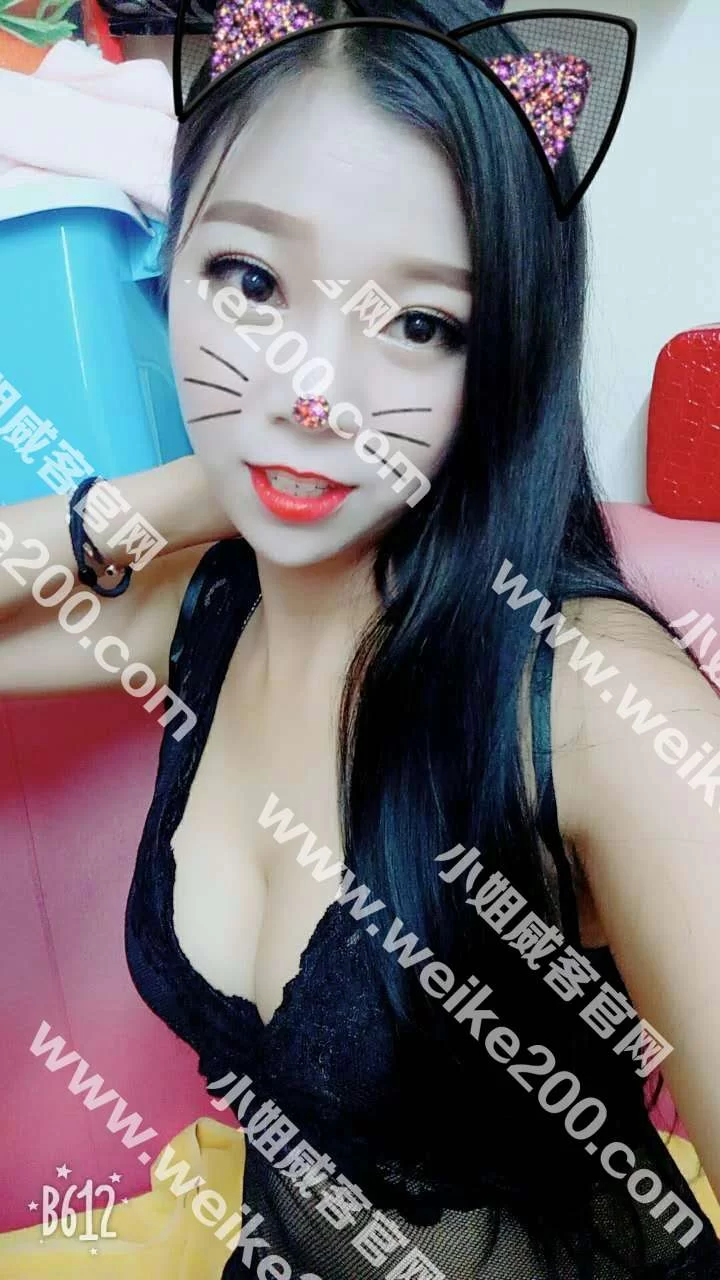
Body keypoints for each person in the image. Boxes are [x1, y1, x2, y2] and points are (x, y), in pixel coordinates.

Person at [1, 2, 720, 1276]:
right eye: (251, 281)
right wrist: (194, 485)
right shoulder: (208, 612)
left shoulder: (590, 704)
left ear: (502, 357)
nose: (311, 389)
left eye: (420, 323)